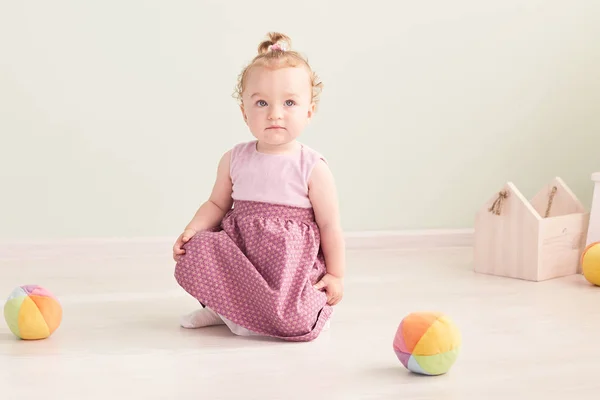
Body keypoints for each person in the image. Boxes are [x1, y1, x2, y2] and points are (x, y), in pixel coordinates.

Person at [172, 32, 345, 342]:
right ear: (244, 112)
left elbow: (330, 224)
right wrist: (192, 230)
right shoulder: (234, 158)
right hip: (242, 256)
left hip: (287, 268)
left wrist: (336, 274)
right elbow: (215, 205)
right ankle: (222, 310)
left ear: (309, 111)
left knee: (296, 317)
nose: (275, 113)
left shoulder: (312, 166)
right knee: (197, 248)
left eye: (289, 102)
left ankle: (301, 313)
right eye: (262, 102)